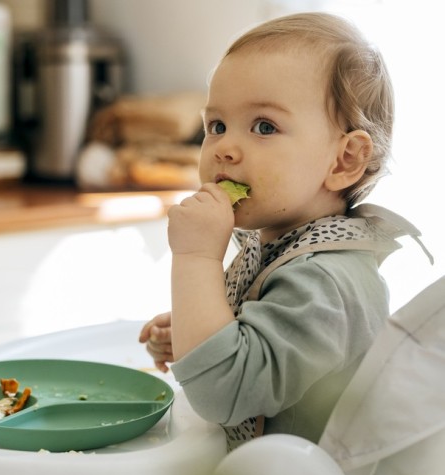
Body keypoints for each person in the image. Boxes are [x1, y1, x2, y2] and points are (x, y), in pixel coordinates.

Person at [138, 12, 432, 451]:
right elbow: (261, 356)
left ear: (344, 161)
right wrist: (195, 331)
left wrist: (195, 258)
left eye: (264, 127)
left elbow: (223, 394)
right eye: (216, 126)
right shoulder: (281, 245)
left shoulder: (325, 282)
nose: (225, 149)